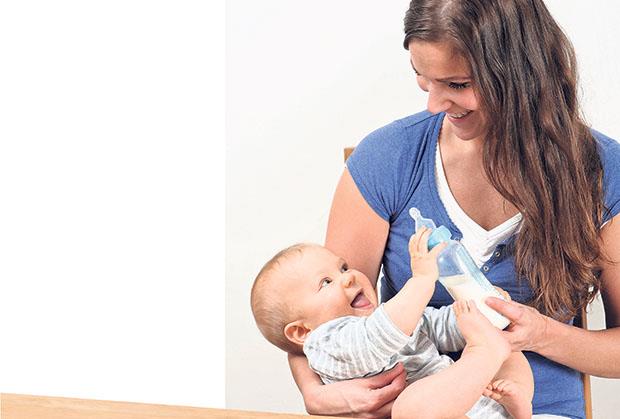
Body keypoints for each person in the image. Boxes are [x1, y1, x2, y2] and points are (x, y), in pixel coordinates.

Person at [287, 0, 620, 418]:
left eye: (458, 84)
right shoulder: (388, 159)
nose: (434, 104)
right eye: (423, 80)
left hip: (539, 408)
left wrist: (539, 333)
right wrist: (314, 392)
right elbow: (319, 318)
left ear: (521, 74)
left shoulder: (603, 173)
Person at [251, 228, 534, 419]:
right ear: (302, 331)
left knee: (507, 346)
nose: (348, 277)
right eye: (326, 282)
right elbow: (376, 337)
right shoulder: (326, 344)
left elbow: (436, 326)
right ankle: (485, 354)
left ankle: (517, 400)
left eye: (343, 268)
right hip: (431, 410)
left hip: (476, 400)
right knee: (408, 408)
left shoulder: (390, 316)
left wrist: (480, 310)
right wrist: (421, 281)